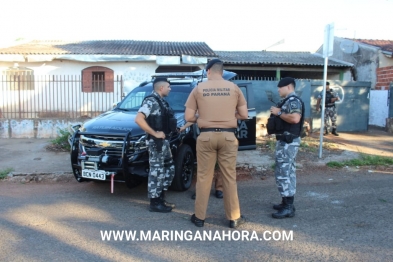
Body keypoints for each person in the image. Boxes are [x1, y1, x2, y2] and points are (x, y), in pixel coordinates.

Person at [184, 59, 248, 228]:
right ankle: (234, 218)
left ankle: (199, 218)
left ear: (208, 71)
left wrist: (202, 116)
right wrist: (229, 114)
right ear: (222, 71)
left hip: (206, 137)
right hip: (228, 137)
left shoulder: (198, 89)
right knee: (229, 177)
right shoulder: (234, 88)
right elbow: (244, 114)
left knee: (204, 177)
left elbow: (188, 118)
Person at [135, 77, 176, 213]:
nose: (170, 89)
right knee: (156, 171)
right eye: (168, 86)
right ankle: (155, 202)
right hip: (156, 142)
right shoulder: (151, 101)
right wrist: (155, 133)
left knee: (169, 168)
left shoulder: (161, 101)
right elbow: (139, 119)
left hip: (164, 142)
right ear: (161, 88)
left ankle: (161, 198)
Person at [269, 77, 304, 219]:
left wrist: (278, 113)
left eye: (280, 87)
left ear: (288, 87)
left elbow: (295, 119)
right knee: (287, 171)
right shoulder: (287, 101)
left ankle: (288, 207)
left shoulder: (293, 100)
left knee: (283, 172)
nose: (278, 90)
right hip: (285, 141)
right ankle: (286, 202)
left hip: (288, 141)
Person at [180, 122, 224, 200]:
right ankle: (201, 190)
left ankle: (219, 188)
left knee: (222, 164)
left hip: (223, 135)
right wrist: (184, 126)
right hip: (206, 137)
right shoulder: (205, 109)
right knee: (203, 166)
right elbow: (196, 116)